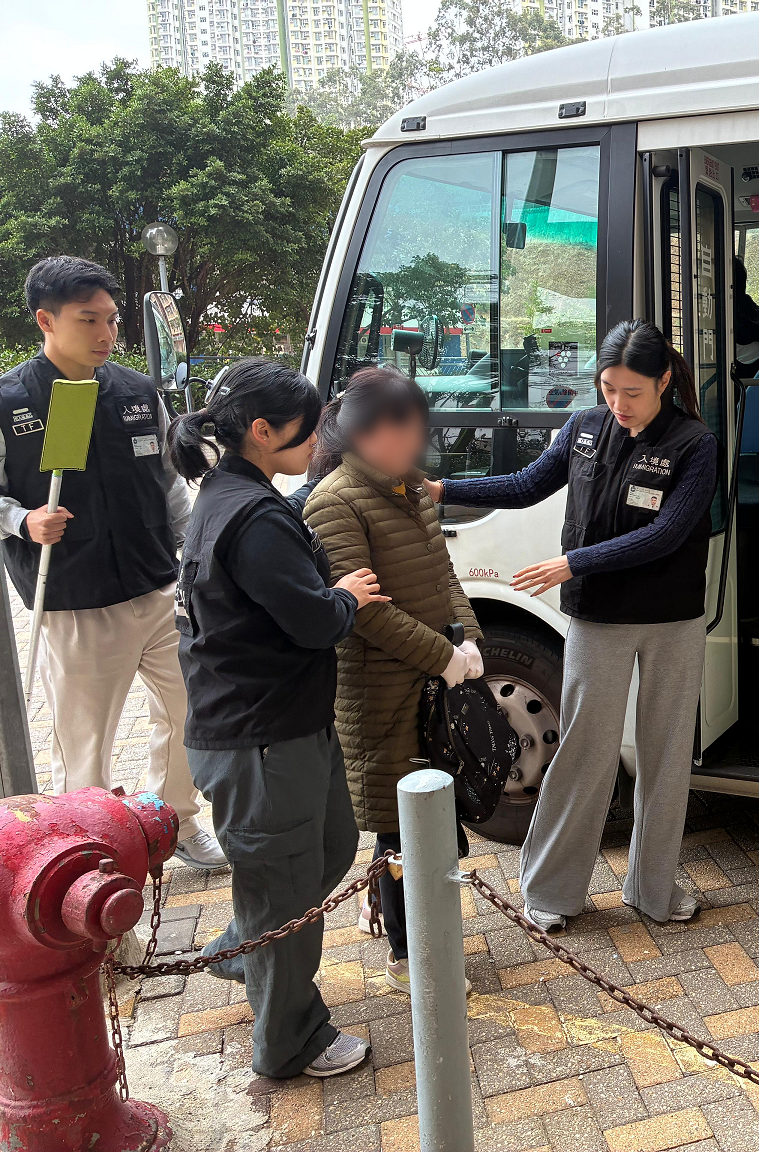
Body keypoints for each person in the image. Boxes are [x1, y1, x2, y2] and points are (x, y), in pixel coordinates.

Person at [423, 319, 717, 932]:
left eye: (633, 392)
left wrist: (570, 562)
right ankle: (552, 893)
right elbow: (528, 484)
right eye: (609, 389)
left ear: (664, 381)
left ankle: (653, 891)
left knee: (665, 754)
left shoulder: (694, 443)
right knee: (585, 749)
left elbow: (666, 534)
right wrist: (442, 487)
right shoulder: (583, 428)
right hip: (598, 617)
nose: (619, 404)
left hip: (671, 618)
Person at [170, 358, 388, 1079]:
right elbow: (313, 621)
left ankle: (246, 949)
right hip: (259, 741)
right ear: (262, 432)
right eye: (308, 424)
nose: (320, 434)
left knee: (327, 848)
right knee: (284, 888)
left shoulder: (240, 493)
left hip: (284, 726)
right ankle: (290, 1039)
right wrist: (348, 597)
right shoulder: (252, 514)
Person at [0, 256, 224, 869]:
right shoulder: (11, 401)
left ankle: (174, 821)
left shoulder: (135, 390)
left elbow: (169, 484)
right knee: (84, 738)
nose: (105, 334)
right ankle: (86, 849)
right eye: (88, 320)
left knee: (188, 709)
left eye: (112, 319)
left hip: (157, 587)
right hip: (75, 597)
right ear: (46, 320)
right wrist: (23, 521)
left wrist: (195, 550)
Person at [303, 366, 483, 993]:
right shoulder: (335, 501)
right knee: (398, 822)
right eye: (400, 428)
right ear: (362, 432)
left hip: (433, 682)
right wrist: (442, 656)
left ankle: (425, 932)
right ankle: (413, 956)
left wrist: (469, 640)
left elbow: (444, 576)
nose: (414, 442)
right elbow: (368, 614)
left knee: (435, 814)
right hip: (382, 690)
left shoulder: (409, 486)